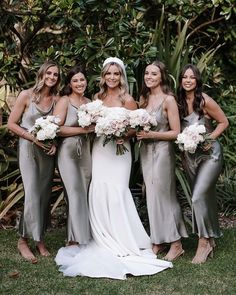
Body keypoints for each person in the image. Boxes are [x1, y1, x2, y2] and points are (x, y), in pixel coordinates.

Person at [55, 57, 172, 280]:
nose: (111, 77)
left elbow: (134, 127)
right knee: (98, 190)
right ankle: (100, 237)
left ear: (121, 77)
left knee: (117, 192)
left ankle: (123, 237)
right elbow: (88, 125)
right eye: (108, 73)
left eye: (116, 74)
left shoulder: (127, 100)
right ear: (103, 76)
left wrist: (121, 134)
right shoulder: (96, 99)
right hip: (99, 150)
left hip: (120, 152)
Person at [7, 60, 61, 263]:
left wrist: (54, 143)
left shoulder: (56, 100)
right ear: (42, 74)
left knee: (45, 193)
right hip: (29, 149)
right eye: (49, 73)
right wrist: (32, 138)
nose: (52, 77)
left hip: (46, 151)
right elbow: (11, 124)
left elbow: (57, 126)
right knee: (32, 193)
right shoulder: (26, 95)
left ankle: (39, 239)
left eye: (55, 75)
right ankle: (23, 240)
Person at [177, 64, 229, 264]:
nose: (188, 80)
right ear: (181, 80)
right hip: (189, 156)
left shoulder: (205, 100)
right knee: (203, 197)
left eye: (192, 77)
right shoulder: (179, 102)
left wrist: (209, 139)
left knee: (198, 197)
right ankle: (211, 238)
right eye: (184, 77)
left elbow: (224, 122)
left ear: (197, 80)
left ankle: (204, 243)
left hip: (210, 155)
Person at [137, 60, 188, 261]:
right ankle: (158, 240)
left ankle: (176, 244)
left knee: (165, 196)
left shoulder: (168, 100)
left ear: (162, 77)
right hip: (145, 152)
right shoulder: (143, 98)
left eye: (154, 74)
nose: (149, 77)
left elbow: (176, 132)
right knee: (152, 195)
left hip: (162, 152)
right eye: (147, 73)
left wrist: (151, 136)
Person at [53, 65, 94, 246]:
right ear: (70, 83)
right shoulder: (64, 101)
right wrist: (82, 129)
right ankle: (74, 239)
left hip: (85, 151)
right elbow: (57, 128)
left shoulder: (90, 102)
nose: (79, 83)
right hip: (67, 153)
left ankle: (81, 235)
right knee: (75, 192)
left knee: (84, 192)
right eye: (75, 80)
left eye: (82, 79)